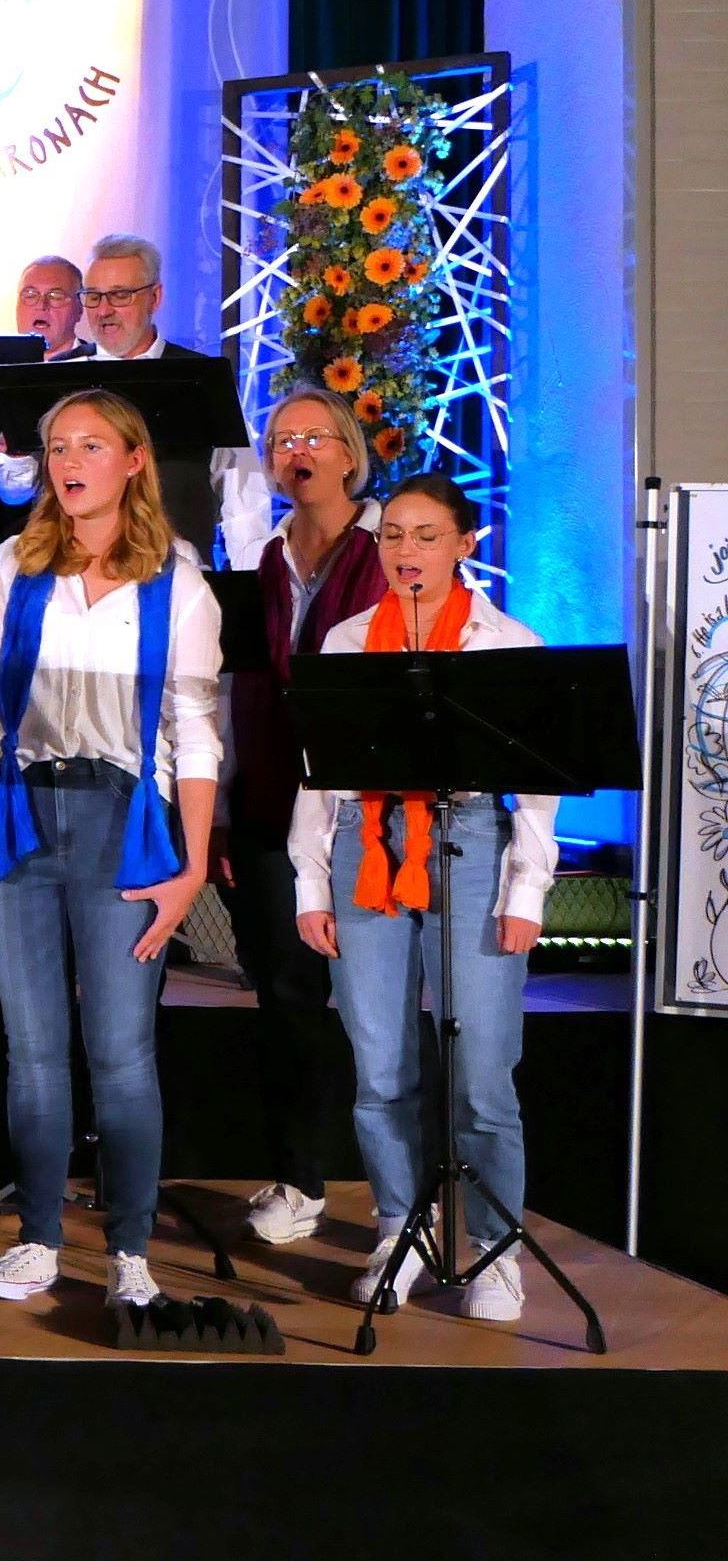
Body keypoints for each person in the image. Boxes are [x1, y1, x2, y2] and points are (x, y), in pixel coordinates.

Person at [0, 388, 223, 1310]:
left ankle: (131, 1252)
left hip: (122, 825)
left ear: (134, 461)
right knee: (30, 1050)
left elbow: (195, 733)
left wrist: (188, 871)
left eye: (91, 446)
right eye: (60, 447)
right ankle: (38, 1241)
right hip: (24, 820)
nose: (70, 462)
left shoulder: (177, 581)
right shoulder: (18, 571)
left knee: (120, 1050)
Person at [290, 475, 556, 1324]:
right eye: (394, 535)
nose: (407, 551)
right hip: (364, 846)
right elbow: (317, 774)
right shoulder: (344, 640)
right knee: (381, 1067)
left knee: (482, 1070)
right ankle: (399, 1227)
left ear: (465, 545)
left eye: (428, 535)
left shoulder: (505, 643)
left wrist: (528, 894)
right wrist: (308, 882)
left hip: (471, 842)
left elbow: (538, 796)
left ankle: (497, 1249)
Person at [222, 387, 387, 1250]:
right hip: (271, 806)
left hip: (366, 814)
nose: (299, 451)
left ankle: (405, 1190)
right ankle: (301, 1177)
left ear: (348, 451)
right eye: (284, 439)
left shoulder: (389, 543)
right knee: (286, 998)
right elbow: (236, 689)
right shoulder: (262, 558)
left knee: (378, 1004)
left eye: (315, 436)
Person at [73, 235, 277, 565]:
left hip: (178, 584)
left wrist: (250, 584)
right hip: (75, 586)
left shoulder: (202, 379)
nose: (104, 311)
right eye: (93, 297)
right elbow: (15, 492)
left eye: (120, 295)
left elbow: (243, 497)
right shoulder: (58, 379)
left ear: (155, 297)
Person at [0, 254, 93, 543]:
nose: (41, 305)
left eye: (55, 295)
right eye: (30, 295)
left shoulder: (93, 368)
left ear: (79, 308)